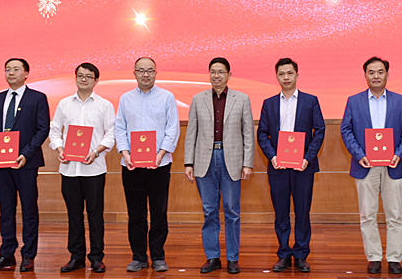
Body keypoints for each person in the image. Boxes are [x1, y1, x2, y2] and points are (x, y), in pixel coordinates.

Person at [340, 57, 402, 275]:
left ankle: (394, 257)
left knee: (395, 215)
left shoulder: (400, 101)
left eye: (380, 72)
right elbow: (346, 130)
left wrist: (399, 154)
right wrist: (359, 155)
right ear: (365, 75)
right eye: (371, 72)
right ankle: (373, 257)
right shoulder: (354, 101)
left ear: (387, 75)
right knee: (367, 214)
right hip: (365, 165)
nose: (376, 76)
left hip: (393, 165)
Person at [183, 57, 254, 274]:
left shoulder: (242, 99)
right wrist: (188, 162)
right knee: (209, 210)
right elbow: (191, 132)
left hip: (231, 159)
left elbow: (248, 133)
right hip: (204, 160)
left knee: (232, 211)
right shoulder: (198, 99)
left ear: (229, 75)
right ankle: (212, 257)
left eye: (221, 72)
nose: (216, 76)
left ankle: (232, 258)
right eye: (213, 71)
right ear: (209, 74)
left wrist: (247, 163)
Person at [257, 58, 325, 273]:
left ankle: (301, 254)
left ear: (297, 75)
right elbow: (262, 134)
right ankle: (284, 253)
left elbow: (319, 131)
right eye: (281, 74)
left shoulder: (310, 101)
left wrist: (307, 157)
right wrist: (272, 156)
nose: (286, 77)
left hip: (303, 167)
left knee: (303, 212)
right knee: (281, 213)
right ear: (276, 77)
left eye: (289, 73)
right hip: (278, 167)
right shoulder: (269, 103)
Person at [0, 58, 50, 272]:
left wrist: (26, 154)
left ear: (26, 73)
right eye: (7, 69)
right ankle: (6, 254)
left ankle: (28, 255)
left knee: (29, 209)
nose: (11, 73)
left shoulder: (37, 98)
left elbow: (42, 129)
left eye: (15, 69)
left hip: (26, 163)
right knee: (6, 209)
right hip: (2, 163)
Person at [48, 63, 115, 273]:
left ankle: (96, 257)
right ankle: (76, 257)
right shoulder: (64, 104)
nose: (83, 79)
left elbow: (111, 134)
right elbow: (55, 131)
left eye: (88, 76)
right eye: (80, 75)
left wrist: (96, 151)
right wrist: (60, 149)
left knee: (95, 215)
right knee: (73, 215)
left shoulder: (104, 105)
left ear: (96, 80)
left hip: (94, 169)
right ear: (75, 78)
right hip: (69, 169)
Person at [115, 57, 179, 272]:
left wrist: (160, 155)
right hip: (131, 165)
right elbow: (119, 128)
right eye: (141, 70)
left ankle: (158, 256)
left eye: (150, 70)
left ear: (155, 73)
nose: (145, 74)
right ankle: (139, 256)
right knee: (136, 213)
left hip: (159, 164)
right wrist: (125, 153)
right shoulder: (125, 98)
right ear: (134, 73)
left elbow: (172, 129)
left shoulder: (167, 97)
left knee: (159, 212)